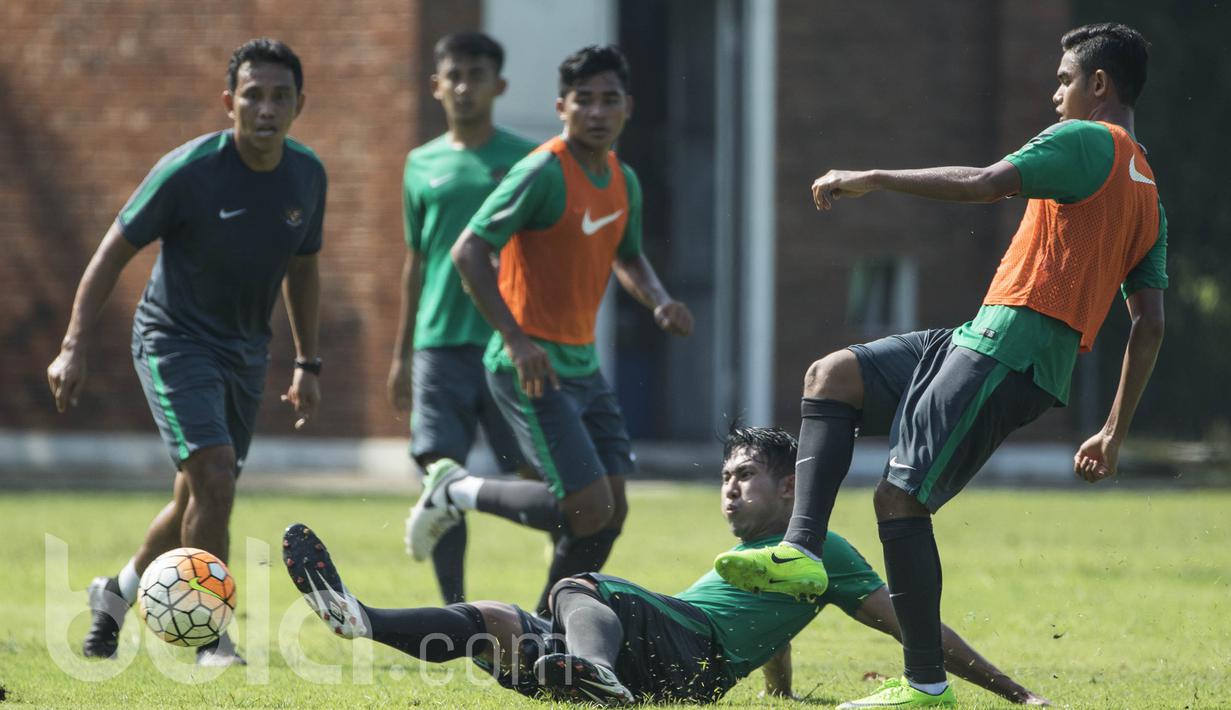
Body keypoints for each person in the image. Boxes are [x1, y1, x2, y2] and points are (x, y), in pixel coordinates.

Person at [714, 23, 1165, 708]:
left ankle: (926, 687)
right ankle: (801, 552)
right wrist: (1112, 430)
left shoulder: (1085, 140)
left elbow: (984, 184)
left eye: (1064, 79)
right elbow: (1150, 322)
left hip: (1008, 348)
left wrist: (872, 177)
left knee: (899, 500)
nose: (1054, 94)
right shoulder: (1148, 192)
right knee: (830, 375)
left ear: (1097, 85)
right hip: (980, 336)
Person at [283, 425, 1049, 705]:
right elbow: (782, 614)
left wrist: (1015, 693)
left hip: (682, 650)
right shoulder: (774, 562)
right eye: (723, 479)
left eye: (743, 477)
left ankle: (590, 669)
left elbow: (912, 623)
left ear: (790, 486)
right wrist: (780, 694)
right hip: (663, 659)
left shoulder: (829, 551)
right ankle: (360, 619)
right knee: (494, 623)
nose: (728, 490)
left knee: (579, 586)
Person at [46, 38, 327, 665]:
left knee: (195, 496)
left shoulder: (307, 175)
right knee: (216, 476)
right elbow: (111, 252)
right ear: (229, 101)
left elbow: (304, 270)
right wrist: (72, 345)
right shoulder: (189, 170)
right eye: (253, 95)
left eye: (281, 96)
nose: (266, 108)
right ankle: (210, 636)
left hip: (246, 354)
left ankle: (114, 595)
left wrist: (308, 362)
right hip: (173, 340)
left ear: (299, 105)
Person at [406, 44, 693, 616]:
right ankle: (455, 491)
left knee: (612, 512)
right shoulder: (542, 170)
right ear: (561, 106)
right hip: (526, 367)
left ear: (627, 107)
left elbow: (629, 256)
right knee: (587, 508)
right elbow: (468, 252)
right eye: (583, 100)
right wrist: (515, 339)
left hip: (584, 365)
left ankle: (542, 629)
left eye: (608, 100)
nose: (596, 112)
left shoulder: (623, 181)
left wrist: (660, 301)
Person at [390, 32, 539, 605]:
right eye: (453, 75)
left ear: (498, 86)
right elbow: (415, 262)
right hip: (439, 346)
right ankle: (455, 611)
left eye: (477, 75)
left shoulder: (526, 161)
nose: (464, 86)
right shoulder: (418, 164)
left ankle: (561, 591)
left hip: (507, 345)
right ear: (436, 85)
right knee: (440, 475)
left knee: (542, 476)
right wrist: (401, 354)